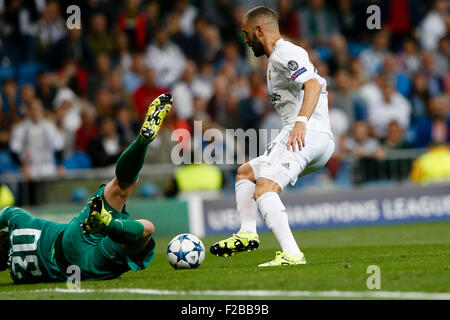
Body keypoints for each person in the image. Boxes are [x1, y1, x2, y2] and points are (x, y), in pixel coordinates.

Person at [0, 94, 172, 284]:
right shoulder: (18, 223)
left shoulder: (17, 274)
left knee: (147, 230)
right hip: (71, 242)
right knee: (122, 186)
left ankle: (109, 224)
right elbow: (5, 213)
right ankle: (142, 141)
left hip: (82, 270)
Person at [210, 6, 335, 267]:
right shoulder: (275, 59)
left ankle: (292, 254)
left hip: (305, 133)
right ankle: (247, 233)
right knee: (246, 172)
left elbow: (312, 84)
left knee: (265, 187)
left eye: (246, 34)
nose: (244, 40)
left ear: (259, 30)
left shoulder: (285, 52)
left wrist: (301, 122)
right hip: (313, 137)